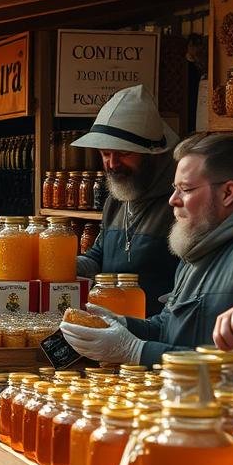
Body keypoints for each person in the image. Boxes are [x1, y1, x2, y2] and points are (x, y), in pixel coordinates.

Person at [61, 133, 233, 386]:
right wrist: (123, 325)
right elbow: (170, 326)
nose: (173, 200)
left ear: (228, 193)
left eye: (187, 189)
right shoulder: (201, 249)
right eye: (174, 189)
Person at [72, 85, 179, 316]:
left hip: (156, 334)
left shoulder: (179, 202)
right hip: (113, 326)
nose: (112, 164)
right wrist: (60, 266)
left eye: (123, 154)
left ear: (153, 154)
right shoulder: (118, 197)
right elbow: (100, 256)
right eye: (105, 154)